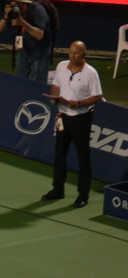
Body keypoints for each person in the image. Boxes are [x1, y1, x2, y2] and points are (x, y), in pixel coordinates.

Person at [42, 40, 103, 208]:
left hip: (80, 119)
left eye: (76, 53)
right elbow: (56, 85)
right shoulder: (62, 66)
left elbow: (97, 97)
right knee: (60, 154)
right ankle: (58, 189)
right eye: (70, 52)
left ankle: (83, 195)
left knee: (83, 157)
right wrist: (55, 97)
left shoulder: (91, 73)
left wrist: (78, 103)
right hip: (63, 116)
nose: (72, 55)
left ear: (83, 54)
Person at [0, 0, 52, 83]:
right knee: (20, 83)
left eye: (17, 4)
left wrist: (22, 22)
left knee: (36, 85)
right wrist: (6, 16)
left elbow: (39, 35)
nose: (14, 6)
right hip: (23, 51)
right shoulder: (14, 12)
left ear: (25, 5)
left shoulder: (38, 10)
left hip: (39, 52)